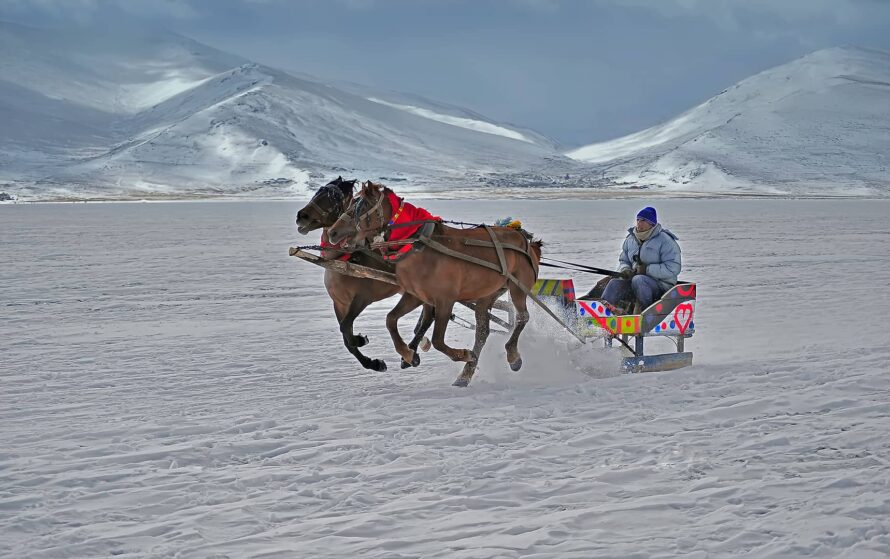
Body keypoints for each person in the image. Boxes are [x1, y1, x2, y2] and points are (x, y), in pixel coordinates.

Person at [601, 206, 681, 312]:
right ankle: (602, 311)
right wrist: (625, 270)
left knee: (639, 280)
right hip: (636, 282)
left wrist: (647, 270)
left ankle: (644, 313)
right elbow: (624, 260)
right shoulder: (630, 239)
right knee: (614, 283)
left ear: (652, 223)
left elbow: (674, 268)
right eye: (638, 219)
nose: (639, 223)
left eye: (643, 220)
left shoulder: (666, 241)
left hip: (662, 286)